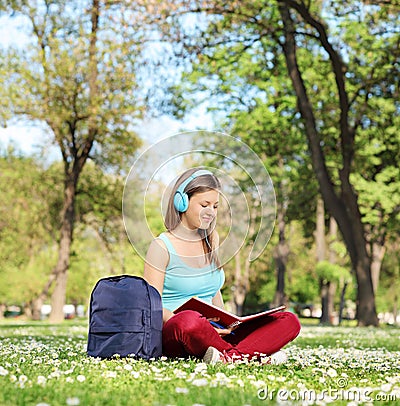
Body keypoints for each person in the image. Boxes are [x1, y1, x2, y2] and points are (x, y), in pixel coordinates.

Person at [143, 168, 300, 364]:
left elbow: (214, 290)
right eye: (204, 204)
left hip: (215, 332)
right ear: (181, 202)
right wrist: (203, 326)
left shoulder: (211, 239)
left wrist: (228, 323)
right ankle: (251, 356)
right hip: (179, 330)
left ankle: (227, 356)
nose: (211, 212)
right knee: (188, 320)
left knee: (288, 320)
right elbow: (151, 306)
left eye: (215, 206)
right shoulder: (161, 246)